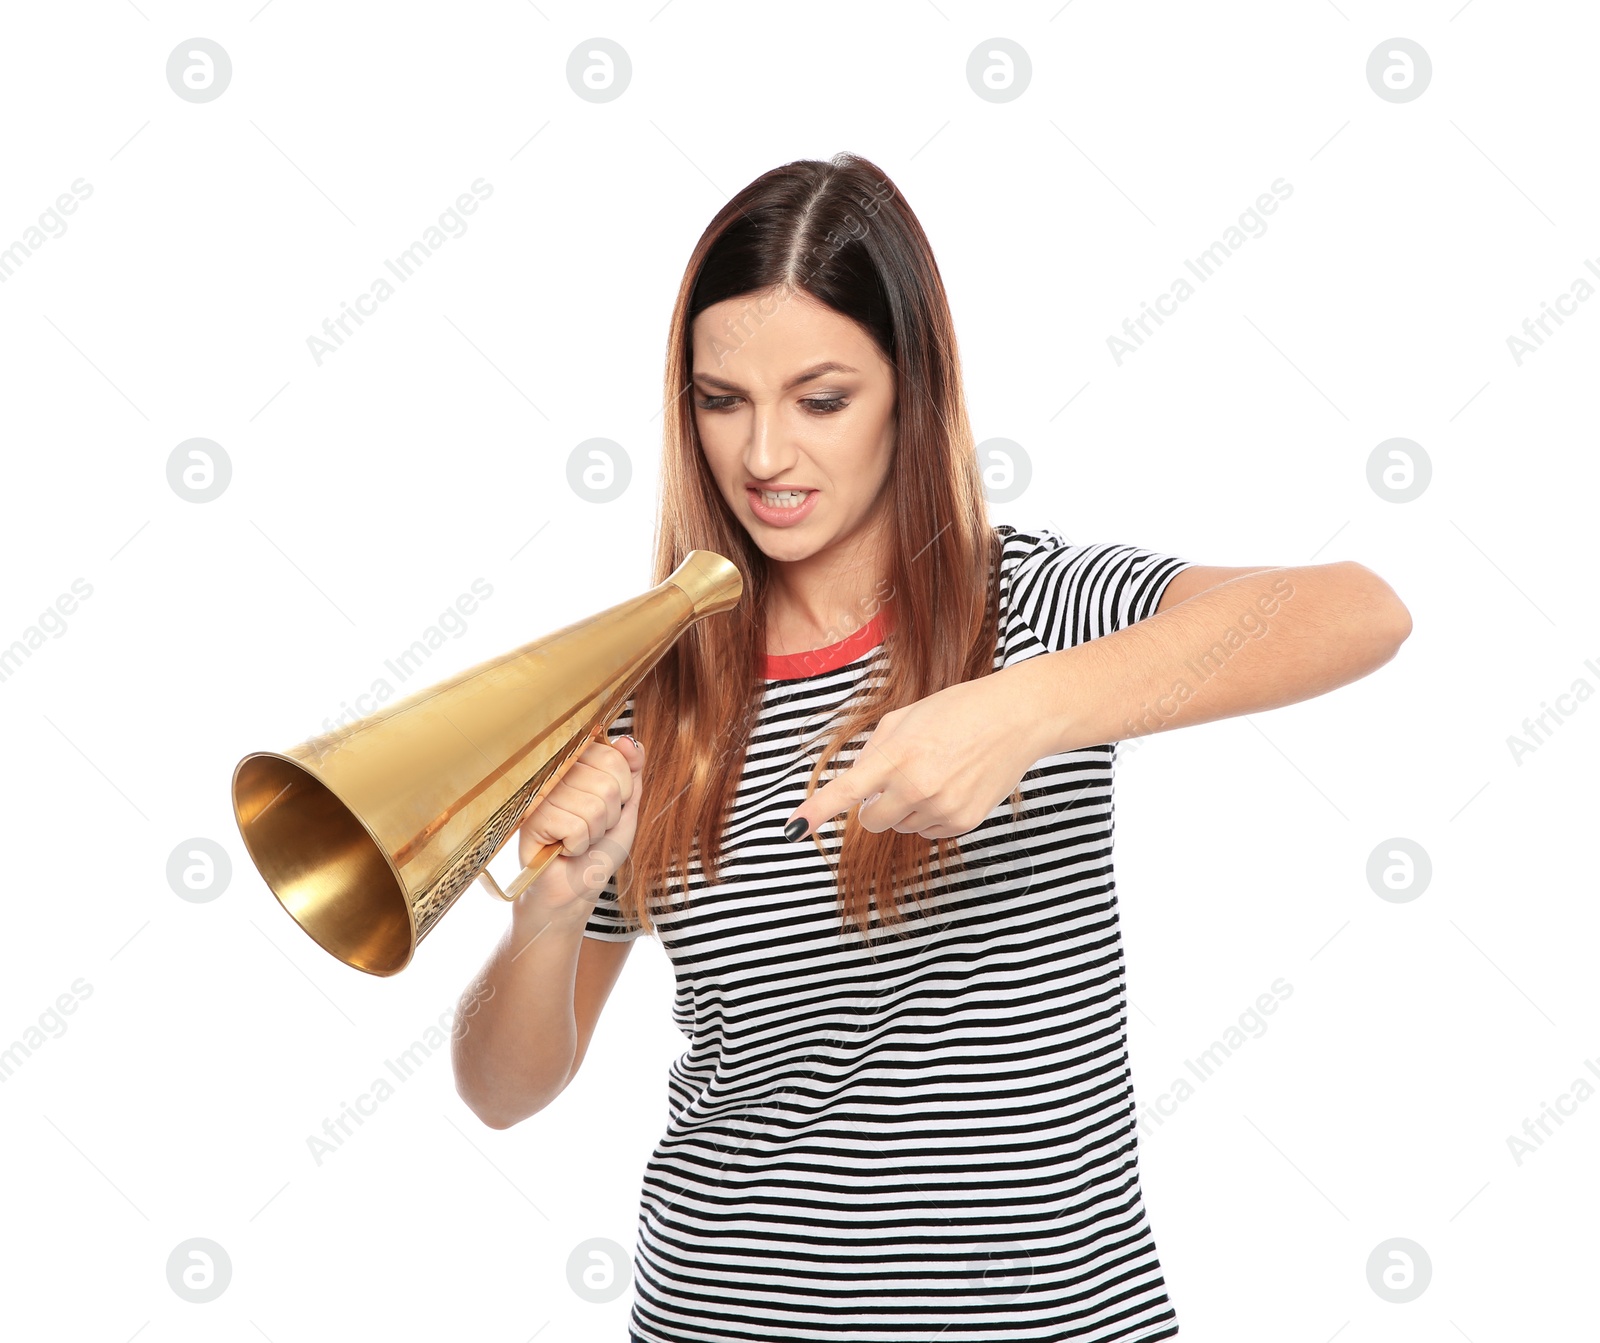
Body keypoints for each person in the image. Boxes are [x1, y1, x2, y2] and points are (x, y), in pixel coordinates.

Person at [451, 152, 1412, 1342]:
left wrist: (1020, 709)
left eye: (820, 398)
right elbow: (504, 1090)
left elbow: (1358, 608)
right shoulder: (653, 703)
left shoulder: (1032, 608)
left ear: (911, 389)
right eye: (720, 399)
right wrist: (546, 910)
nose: (761, 456)